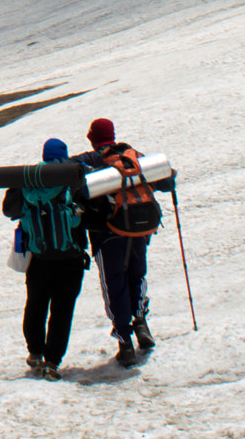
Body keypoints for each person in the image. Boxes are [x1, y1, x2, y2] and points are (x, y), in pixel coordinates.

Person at [2, 137, 90, 381]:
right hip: (70, 257)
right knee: (62, 310)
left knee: (36, 305)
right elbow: (89, 210)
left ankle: (34, 352)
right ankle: (52, 361)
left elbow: (9, 210)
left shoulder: (28, 181)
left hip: (39, 258)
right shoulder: (73, 179)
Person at [77, 117, 156, 367]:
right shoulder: (133, 155)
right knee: (137, 275)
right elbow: (164, 180)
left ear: (93, 137)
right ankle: (141, 324)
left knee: (114, 285)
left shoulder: (90, 160)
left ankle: (125, 342)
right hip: (137, 230)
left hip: (107, 234)